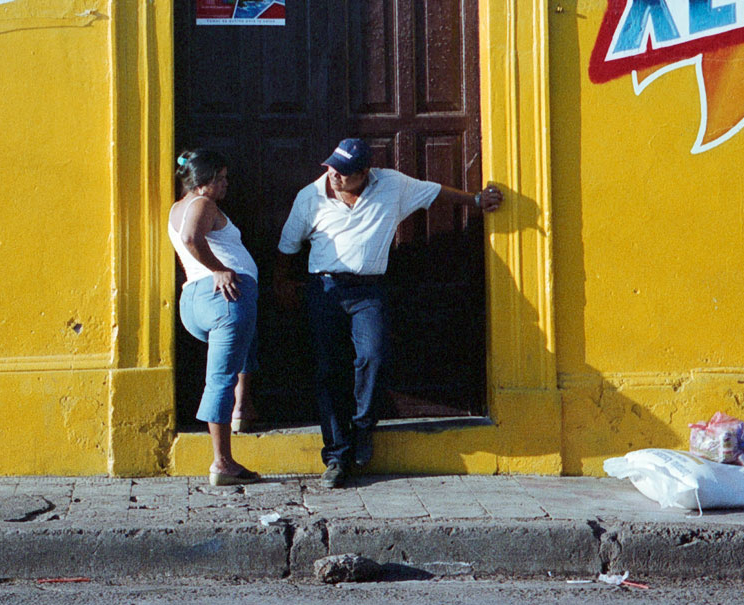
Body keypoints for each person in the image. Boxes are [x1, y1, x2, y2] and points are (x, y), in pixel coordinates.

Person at [278, 138, 503, 488]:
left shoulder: (392, 185)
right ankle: (337, 456)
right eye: (332, 168)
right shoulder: (311, 197)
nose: (334, 176)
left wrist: (474, 200)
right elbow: (288, 246)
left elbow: (434, 191)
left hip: (369, 290)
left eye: (344, 172)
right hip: (325, 290)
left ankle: (363, 426)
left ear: (365, 173)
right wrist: (282, 284)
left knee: (374, 356)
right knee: (328, 370)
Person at [169, 149, 261, 485]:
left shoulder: (178, 207)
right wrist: (220, 269)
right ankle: (222, 463)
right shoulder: (203, 205)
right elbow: (192, 239)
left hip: (195, 300)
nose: (225, 184)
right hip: (224, 297)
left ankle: (242, 408)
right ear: (204, 181)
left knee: (243, 349)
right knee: (220, 378)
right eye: (220, 177)